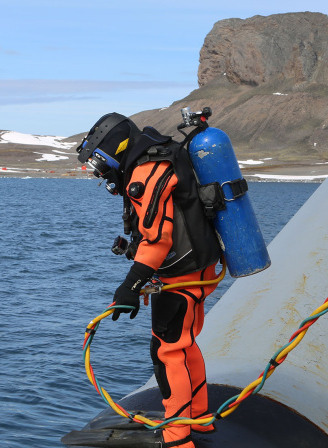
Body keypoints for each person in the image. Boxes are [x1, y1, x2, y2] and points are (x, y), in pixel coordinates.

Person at [76, 113, 222, 448]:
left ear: (111, 152)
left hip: (181, 273)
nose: (100, 175)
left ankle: (176, 436)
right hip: (195, 268)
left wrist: (130, 285)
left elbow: (158, 239)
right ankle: (198, 418)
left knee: (167, 351)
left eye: (98, 166)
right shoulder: (156, 158)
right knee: (183, 345)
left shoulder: (146, 171)